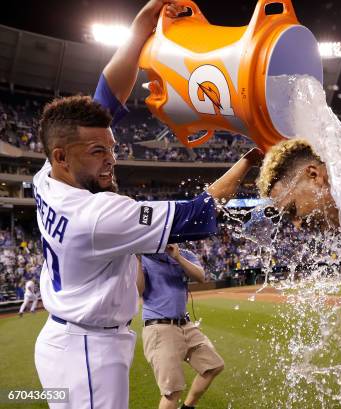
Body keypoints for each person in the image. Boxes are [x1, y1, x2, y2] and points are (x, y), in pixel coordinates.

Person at [33, 1, 261, 408]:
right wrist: (250, 157)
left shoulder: (47, 177)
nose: (111, 159)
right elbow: (199, 212)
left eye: (112, 148)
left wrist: (140, 29)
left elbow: (105, 97)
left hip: (66, 339)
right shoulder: (98, 214)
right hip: (89, 351)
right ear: (62, 157)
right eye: (97, 152)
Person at [137, 244, 224, 409]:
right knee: (172, 392)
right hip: (159, 327)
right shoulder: (143, 256)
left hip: (185, 324)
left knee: (213, 366)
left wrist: (178, 257)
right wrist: (137, 258)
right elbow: (138, 290)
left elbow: (201, 277)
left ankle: (188, 407)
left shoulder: (185, 253)